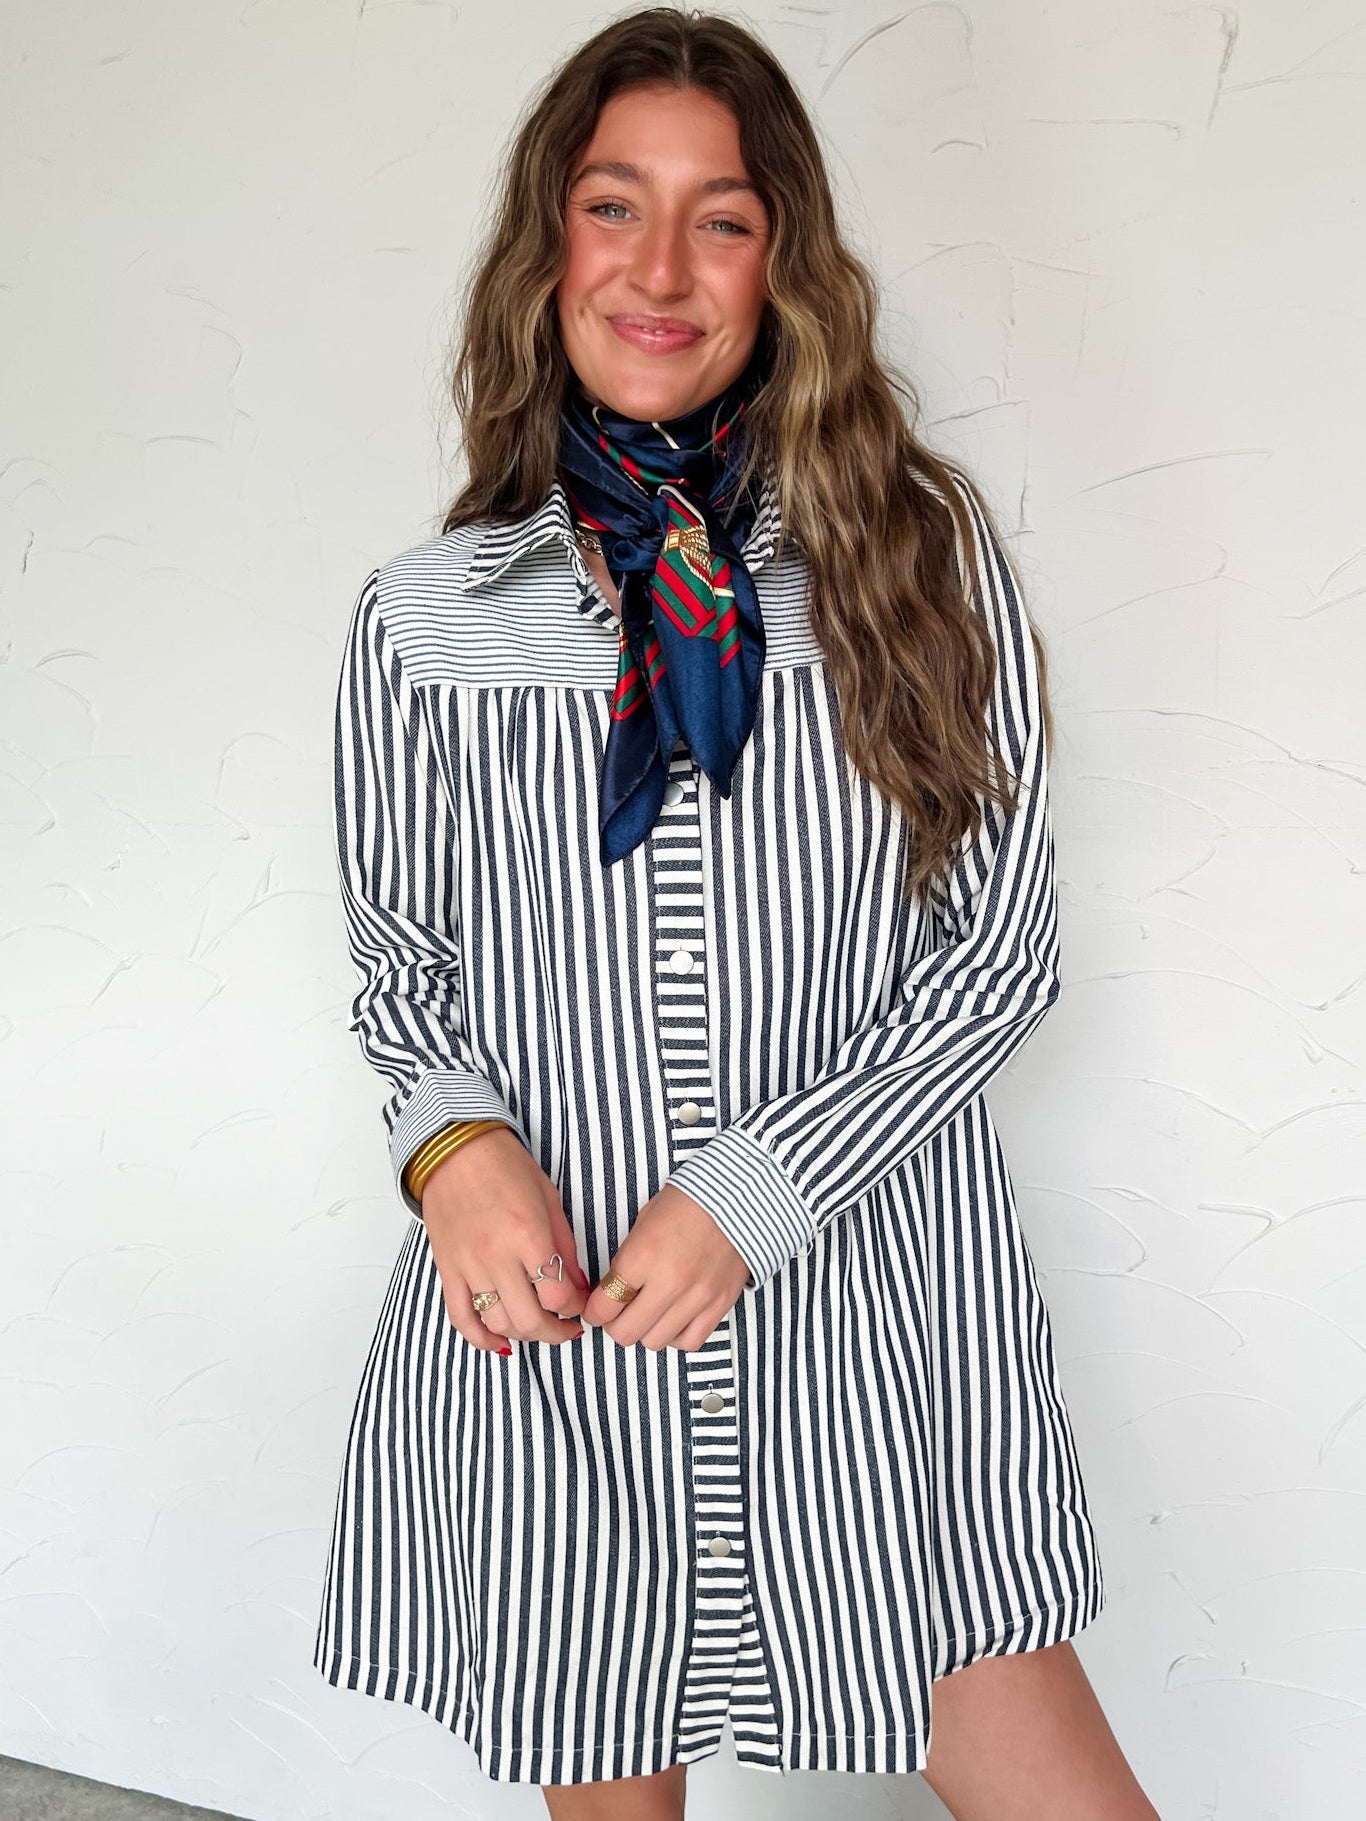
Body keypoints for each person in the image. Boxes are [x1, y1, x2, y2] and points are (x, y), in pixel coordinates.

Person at [313, 9, 1161, 1819]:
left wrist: (749, 1192)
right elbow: (401, 964)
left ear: (785, 261)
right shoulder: (425, 616)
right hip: (558, 1333)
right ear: (549, 246)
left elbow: (998, 955)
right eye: (615, 206)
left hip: (872, 1318)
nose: (661, 268)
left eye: (723, 216)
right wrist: (454, 1149)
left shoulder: (912, 558)